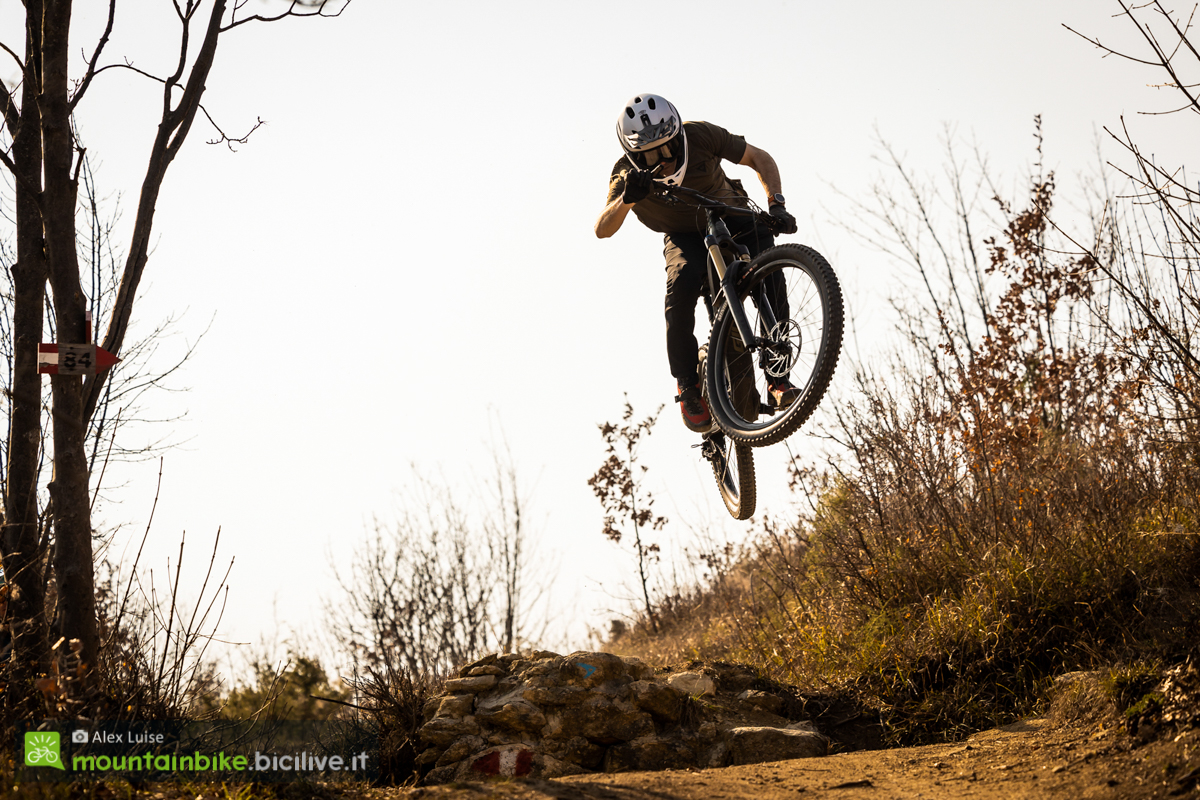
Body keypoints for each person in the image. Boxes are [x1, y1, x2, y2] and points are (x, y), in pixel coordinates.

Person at [595, 93, 800, 433]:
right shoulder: (626, 174)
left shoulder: (700, 135)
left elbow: (757, 157)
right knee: (680, 289)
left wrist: (775, 203)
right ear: (633, 154)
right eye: (650, 155)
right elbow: (603, 228)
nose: (664, 159)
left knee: (772, 274)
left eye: (668, 147)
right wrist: (627, 200)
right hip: (682, 234)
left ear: (678, 135)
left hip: (731, 212)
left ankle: (778, 380)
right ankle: (688, 386)